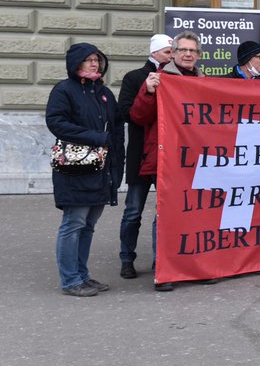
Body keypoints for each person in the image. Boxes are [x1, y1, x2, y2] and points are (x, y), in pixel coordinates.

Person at [46, 43, 125, 297]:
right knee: (74, 223)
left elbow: (116, 129)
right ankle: (70, 280)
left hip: (101, 170)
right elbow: (56, 123)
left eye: (97, 59)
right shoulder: (64, 90)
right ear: (76, 63)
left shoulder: (103, 92)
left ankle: (82, 275)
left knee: (88, 225)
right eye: (88, 59)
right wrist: (95, 137)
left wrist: (118, 166)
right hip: (75, 169)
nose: (94, 63)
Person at [128, 32, 203, 291]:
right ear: (173, 54)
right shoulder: (160, 79)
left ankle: (195, 266)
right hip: (167, 159)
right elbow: (138, 116)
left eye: (192, 50)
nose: (188, 54)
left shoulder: (204, 82)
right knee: (166, 215)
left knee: (195, 215)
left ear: (198, 55)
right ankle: (164, 269)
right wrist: (148, 92)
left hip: (195, 161)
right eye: (183, 50)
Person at [115, 33, 173, 279]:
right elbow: (125, 113)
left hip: (166, 155)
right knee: (133, 211)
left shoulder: (176, 78)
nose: (171, 56)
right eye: (168, 52)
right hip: (141, 154)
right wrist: (147, 91)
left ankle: (160, 260)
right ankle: (127, 258)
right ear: (155, 52)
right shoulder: (134, 77)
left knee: (164, 212)